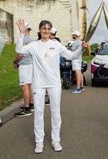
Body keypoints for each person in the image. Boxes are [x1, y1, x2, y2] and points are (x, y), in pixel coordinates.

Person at [15, 19, 86, 154]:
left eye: (48, 29)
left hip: (54, 84)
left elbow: (71, 56)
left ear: (51, 30)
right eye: (44, 29)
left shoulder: (56, 44)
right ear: (40, 31)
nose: (46, 31)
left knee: (55, 112)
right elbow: (19, 50)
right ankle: (39, 142)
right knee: (39, 113)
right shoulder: (34, 45)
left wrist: (81, 48)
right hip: (39, 84)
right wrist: (21, 34)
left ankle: (56, 140)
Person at [13, 23, 35, 117]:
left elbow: (20, 54)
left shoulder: (22, 39)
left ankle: (26, 108)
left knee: (24, 86)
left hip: (24, 65)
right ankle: (31, 104)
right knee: (30, 85)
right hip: (31, 64)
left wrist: (15, 62)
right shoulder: (32, 39)